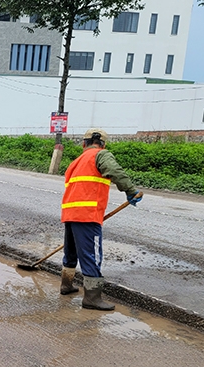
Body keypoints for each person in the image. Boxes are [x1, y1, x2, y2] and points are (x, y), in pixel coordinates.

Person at [60, 128, 142, 310]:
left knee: (71, 252)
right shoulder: (101, 155)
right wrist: (131, 191)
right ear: (103, 144)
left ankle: (66, 285)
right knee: (92, 255)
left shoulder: (75, 162)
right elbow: (114, 171)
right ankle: (92, 298)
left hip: (70, 214)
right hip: (88, 215)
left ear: (83, 144)